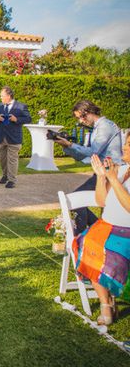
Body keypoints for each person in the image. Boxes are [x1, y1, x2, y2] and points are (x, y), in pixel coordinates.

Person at [72, 131, 130, 326]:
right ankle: (106, 303)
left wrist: (113, 179)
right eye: (126, 143)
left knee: (104, 250)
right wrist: (100, 177)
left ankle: (110, 294)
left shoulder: (118, 174)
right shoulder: (121, 170)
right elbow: (101, 201)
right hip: (105, 226)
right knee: (88, 242)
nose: (125, 147)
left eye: (129, 145)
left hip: (125, 231)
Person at [51, 100, 123, 234]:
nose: (81, 121)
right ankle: (100, 231)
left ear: (89, 111)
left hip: (111, 173)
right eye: (79, 118)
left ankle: (81, 236)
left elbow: (92, 151)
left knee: (75, 200)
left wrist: (71, 145)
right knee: (76, 201)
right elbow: (85, 158)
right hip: (102, 172)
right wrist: (66, 146)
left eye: (81, 117)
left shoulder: (105, 126)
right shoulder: (97, 128)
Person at [0, 86, 31, 188]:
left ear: (9, 96)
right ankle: (5, 175)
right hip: (1, 137)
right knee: (3, 159)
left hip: (14, 137)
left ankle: (12, 180)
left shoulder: (21, 106)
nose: (1, 98)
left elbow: (28, 118)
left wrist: (16, 119)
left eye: (2, 96)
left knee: (12, 159)